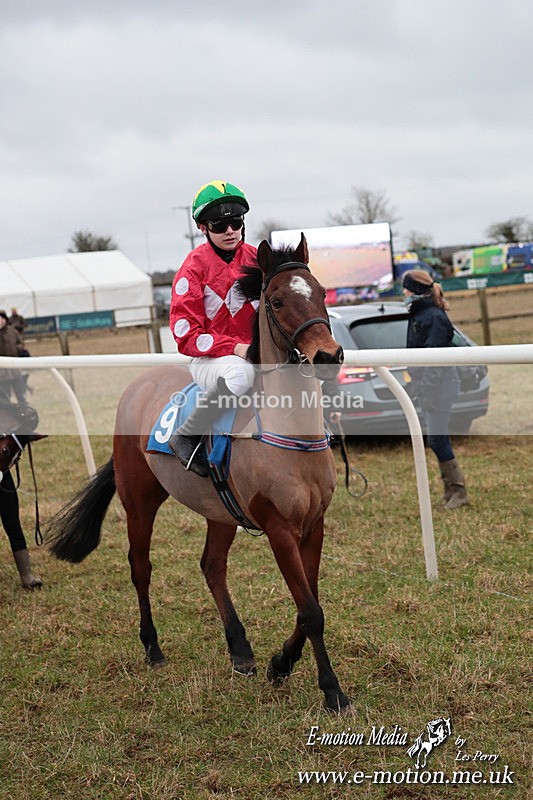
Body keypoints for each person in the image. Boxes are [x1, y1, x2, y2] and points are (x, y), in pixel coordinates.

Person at [168, 181, 258, 476]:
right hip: (211, 361)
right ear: (203, 228)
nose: (230, 231)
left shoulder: (258, 259)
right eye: (220, 225)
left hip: (258, 353)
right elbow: (186, 336)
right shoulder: (192, 268)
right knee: (240, 372)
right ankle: (187, 434)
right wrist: (235, 348)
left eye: (236, 222)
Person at [402, 269, 468, 510]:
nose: (404, 293)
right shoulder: (422, 314)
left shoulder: (433, 316)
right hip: (430, 385)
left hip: (440, 386)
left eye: (406, 288)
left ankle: (458, 492)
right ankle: (451, 491)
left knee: (437, 439)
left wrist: (426, 389)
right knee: (437, 438)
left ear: (416, 290)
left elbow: (434, 358)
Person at [0, 310, 26, 404]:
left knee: (21, 397)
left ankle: (24, 415)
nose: (1, 321)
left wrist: (18, 349)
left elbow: (20, 343)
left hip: (15, 371)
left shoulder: (12, 331)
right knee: (6, 399)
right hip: (2, 374)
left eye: (2, 318)